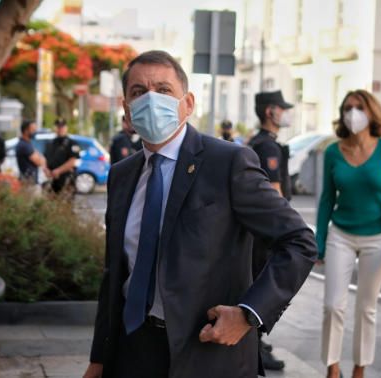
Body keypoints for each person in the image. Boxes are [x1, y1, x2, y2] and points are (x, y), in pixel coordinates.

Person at [83, 50, 316, 378]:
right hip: (132, 349)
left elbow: (299, 241)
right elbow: (115, 274)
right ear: (127, 108)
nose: (150, 100)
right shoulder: (122, 175)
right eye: (138, 92)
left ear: (188, 103)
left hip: (207, 351)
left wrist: (248, 313)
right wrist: (100, 357)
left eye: (163, 90)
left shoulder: (228, 163)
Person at [316, 89, 381, 378]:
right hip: (341, 233)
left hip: (378, 238)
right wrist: (320, 244)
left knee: (367, 308)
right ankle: (332, 368)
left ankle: (360, 369)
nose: (353, 113)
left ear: (371, 112)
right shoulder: (333, 152)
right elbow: (327, 199)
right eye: (347, 108)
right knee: (332, 306)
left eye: (359, 107)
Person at [246, 90, 295, 371]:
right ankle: (254, 344)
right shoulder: (269, 147)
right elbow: (275, 194)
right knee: (264, 285)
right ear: (269, 112)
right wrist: (289, 232)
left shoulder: (258, 142)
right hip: (267, 230)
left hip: (256, 229)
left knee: (254, 281)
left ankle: (255, 342)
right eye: (281, 108)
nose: (285, 113)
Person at [44, 118, 80, 196]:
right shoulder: (50, 143)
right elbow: (45, 159)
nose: (60, 129)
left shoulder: (72, 143)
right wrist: (46, 170)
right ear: (55, 128)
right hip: (52, 180)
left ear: (66, 128)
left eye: (62, 127)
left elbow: (72, 161)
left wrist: (58, 171)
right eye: (58, 127)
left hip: (66, 179)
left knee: (65, 205)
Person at [15, 120, 46, 185]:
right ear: (26, 131)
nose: (35, 132)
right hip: (28, 183)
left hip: (30, 181)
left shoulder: (28, 144)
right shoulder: (24, 145)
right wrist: (41, 158)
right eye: (33, 130)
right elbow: (39, 162)